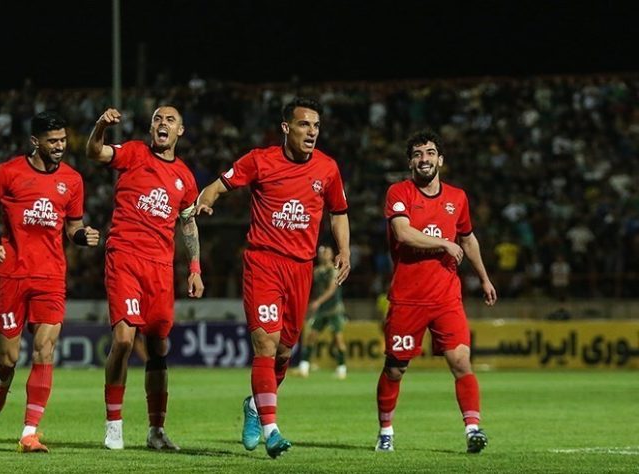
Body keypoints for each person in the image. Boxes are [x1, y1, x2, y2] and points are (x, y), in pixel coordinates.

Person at [195, 97, 350, 458]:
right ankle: (272, 430)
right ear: (286, 128)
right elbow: (217, 185)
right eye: (303, 124)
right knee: (266, 344)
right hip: (263, 262)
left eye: (316, 126)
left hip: (301, 269)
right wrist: (206, 201)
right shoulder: (260, 161)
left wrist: (344, 249)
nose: (311, 132)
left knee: (284, 352)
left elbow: (339, 211)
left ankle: (254, 405)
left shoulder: (327, 168)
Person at [0, 111, 100, 453]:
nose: (59, 146)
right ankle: (2, 381)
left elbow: (72, 226)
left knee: (45, 349)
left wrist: (82, 236)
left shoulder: (72, 180)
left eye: (63, 139)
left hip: (51, 276)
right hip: (12, 275)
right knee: (9, 357)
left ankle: (29, 432)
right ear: (35, 142)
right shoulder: (8, 172)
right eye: (52, 141)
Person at [86, 107, 204, 451]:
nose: (162, 123)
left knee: (157, 348)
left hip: (160, 267)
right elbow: (95, 152)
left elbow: (188, 224)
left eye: (170, 120)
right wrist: (100, 126)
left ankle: (156, 430)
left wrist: (195, 268)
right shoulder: (134, 153)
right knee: (124, 339)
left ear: (180, 131)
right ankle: (114, 425)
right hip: (125, 256)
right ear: (151, 127)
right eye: (157, 119)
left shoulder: (185, 178)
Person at [375, 130, 497, 454]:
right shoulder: (399, 192)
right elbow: (403, 233)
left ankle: (473, 429)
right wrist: (443, 243)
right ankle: (386, 430)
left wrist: (484, 278)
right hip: (408, 298)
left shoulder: (458, 198)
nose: (424, 159)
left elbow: (467, 239)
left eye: (430, 153)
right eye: (417, 154)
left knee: (461, 361)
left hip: (446, 297)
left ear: (440, 159)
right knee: (395, 368)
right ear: (410, 162)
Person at [296, 245, 348, 380]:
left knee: (338, 339)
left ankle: (341, 368)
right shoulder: (317, 271)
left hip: (334, 309)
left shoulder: (334, 270)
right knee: (311, 337)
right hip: (321, 311)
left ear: (331, 255)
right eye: (322, 252)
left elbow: (331, 290)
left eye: (326, 252)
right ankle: (304, 367)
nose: (323, 255)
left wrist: (318, 302)